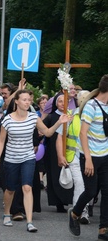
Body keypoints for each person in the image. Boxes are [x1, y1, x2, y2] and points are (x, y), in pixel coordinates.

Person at [0, 89, 70, 233]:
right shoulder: (8, 119)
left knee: (27, 187)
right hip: (11, 158)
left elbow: (47, 132)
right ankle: (7, 212)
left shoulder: (34, 117)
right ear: (16, 101)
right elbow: (1, 141)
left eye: (29, 99)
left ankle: (29, 222)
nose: (27, 102)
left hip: (28, 157)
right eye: (24, 99)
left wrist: (60, 122)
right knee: (10, 189)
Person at [68, 75, 108, 240]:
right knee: (91, 191)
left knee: (107, 192)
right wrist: (89, 159)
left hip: (105, 155)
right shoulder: (92, 106)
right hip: (89, 156)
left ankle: (103, 228)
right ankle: (75, 214)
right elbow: (83, 133)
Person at [57, 90, 91, 224]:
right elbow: (59, 137)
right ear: (77, 101)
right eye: (81, 99)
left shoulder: (94, 115)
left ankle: (83, 209)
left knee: (90, 186)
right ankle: (81, 211)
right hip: (74, 156)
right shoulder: (70, 115)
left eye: (86, 99)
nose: (84, 102)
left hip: (91, 156)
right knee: (80, 184)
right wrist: (60, 155)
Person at [43, 94, 73, 212]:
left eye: (64, 101)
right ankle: (58, 202)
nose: (62, 104)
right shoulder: (51, 117)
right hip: (53, 150)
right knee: (55, 174)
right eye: (60, 101)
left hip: (70, 149)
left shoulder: (72, 115)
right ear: (56, 104)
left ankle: (69, 199)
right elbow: (42, 130)